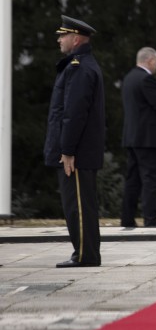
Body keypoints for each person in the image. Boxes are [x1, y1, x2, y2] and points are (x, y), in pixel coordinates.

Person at [43, 15, 105, 268]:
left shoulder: (79, 67)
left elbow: (74, 113)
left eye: (63, 35)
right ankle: (85, 253)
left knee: (78, 205)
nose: (59, 39)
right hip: (78, 150)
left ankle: (85, 255)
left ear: (76, 38)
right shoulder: (79, 65)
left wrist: (67, 149)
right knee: (80, 204)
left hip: (76, 152)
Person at [121, 47, 156, 228]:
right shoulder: (146, 79)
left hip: (132, 137)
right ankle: (151, 219)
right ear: (150, 60)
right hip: (147, 138)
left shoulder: (128, 78)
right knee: (150, 178)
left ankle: (127, 218)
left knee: (133, 179)